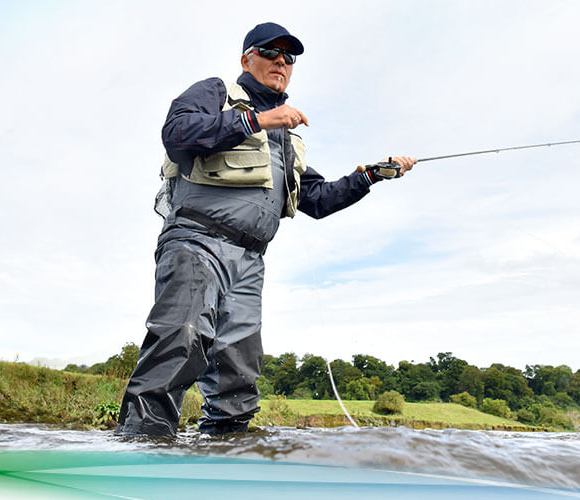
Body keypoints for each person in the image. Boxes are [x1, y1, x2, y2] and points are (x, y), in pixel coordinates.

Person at [115, 22, 417, 438]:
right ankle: (141, 443)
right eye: (270, 52)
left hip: (250, 260)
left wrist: (369, 178)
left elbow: (319, 200)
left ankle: (227, 447)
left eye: (288, 57)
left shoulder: (286, 139)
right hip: (197, 241)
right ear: (246, 59)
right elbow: (177, 133)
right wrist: (256, 120)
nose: (281, 62)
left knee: (238, 365)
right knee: (182, 336)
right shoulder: (217, 92)